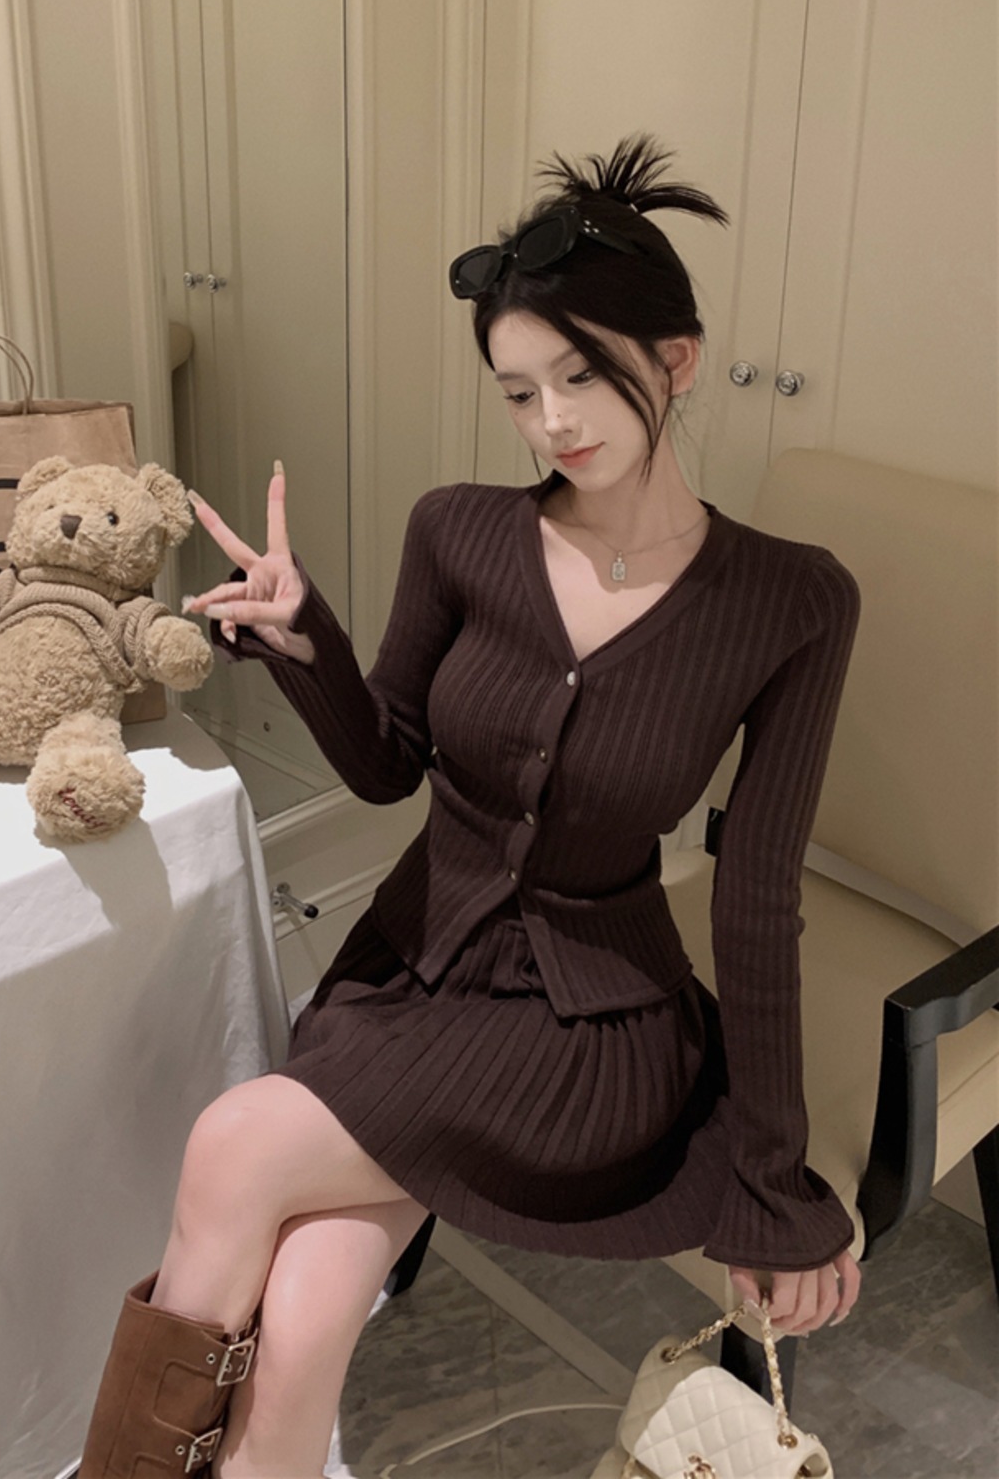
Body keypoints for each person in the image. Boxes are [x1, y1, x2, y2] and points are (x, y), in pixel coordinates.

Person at [73, 133, 863, 1479]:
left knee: (236, 1146)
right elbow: (389, 764)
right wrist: (304, 636)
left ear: (676, 359)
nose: (553, 420)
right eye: (518, 391)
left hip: (589, 1030)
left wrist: (773, 1179)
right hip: (411, 974)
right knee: (306, 1313)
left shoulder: (791, 600)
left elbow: (756, 902)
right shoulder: (461, 531)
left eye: (581, 375)